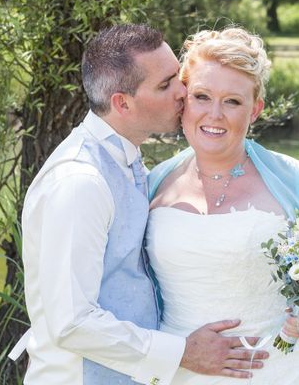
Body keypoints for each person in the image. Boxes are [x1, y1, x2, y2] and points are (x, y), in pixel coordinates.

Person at [17, 24, 269, 384]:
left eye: (178, 79)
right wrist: (182, 352)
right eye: (166, 85)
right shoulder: (80, 183)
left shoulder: (128, 162)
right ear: (122, 103)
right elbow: (72, 323)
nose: (184, 92)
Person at [147, 27, 299, 384]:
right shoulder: (152, 184)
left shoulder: (293, 180)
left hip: (278, 370)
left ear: (255, 110)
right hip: (179, 372)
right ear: (182, 99)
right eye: (202, 96)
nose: (215, 114)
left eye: (232, 101)